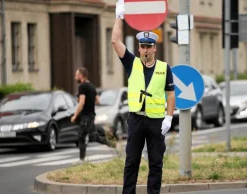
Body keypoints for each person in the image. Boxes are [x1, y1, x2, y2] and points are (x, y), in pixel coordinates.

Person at [111, 1, 176, 193]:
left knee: (156, 163)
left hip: (156, 122)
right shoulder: (132, 64)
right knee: (132, 161)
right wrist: (119, 17)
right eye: (143, 47)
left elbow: (171, 94)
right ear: (139, 49)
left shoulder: (164, 68)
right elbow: (115, 41)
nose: (145, 50)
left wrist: (169, 117)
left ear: (155, 48)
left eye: (149, 46)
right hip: (136, 119)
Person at [71, 67, 100, 161]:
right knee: (92, 136)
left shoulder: (82, 87)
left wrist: (75, 115)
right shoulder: (91, 86)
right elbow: (98, 101)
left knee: (82, 136)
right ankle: (111, 142)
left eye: (76, 75)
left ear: (81, 75)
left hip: (86, 116)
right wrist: (89, 102)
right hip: (91, 115)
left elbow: (81, 103)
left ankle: (82, 159)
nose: (75, 77)